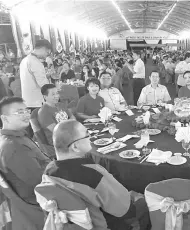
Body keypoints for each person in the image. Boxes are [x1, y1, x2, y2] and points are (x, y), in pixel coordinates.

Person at [41, 120, 149, 229]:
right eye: (87, 135)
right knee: (144, 203)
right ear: (75, 147)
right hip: (104, 224)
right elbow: (124, 209)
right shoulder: (93, 173)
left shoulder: (48, 172)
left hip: (73, 224)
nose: (90, 138)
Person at [0, 97, 50, 228]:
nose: (26, 114)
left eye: (26, 110)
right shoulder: (13, 147)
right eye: (19, 112)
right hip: (40, 202)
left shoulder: (17, 136)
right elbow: (40, 181)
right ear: (4, 118)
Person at [20, 39, 51, 109]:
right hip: (36, 102)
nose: (46, 56)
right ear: (43, 48)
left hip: (26, 101)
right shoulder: (36, 62)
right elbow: (43, 85)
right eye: (47, 52)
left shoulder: (24, 60)